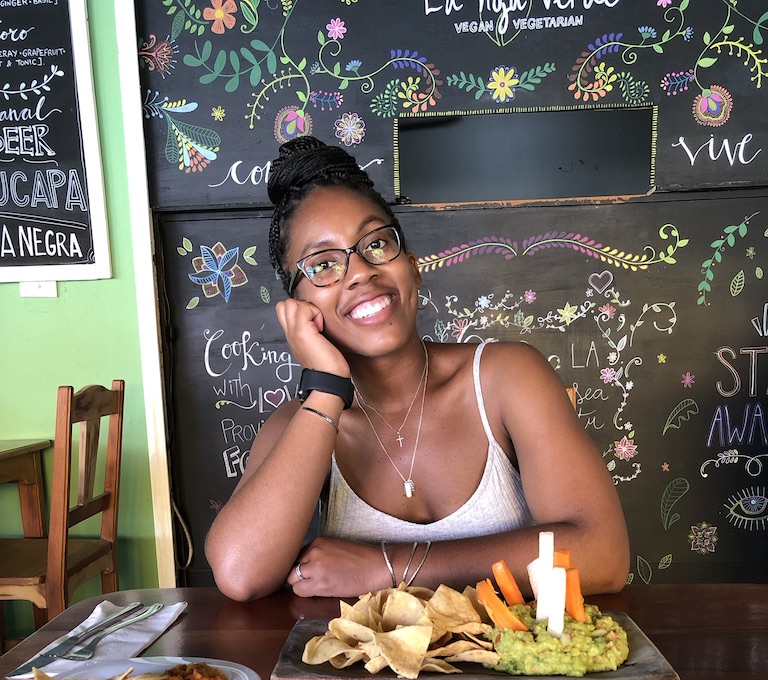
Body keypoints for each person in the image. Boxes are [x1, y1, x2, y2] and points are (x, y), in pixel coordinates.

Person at [205, 136, 629, 602]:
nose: (361, 271)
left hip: (514, 669)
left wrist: (386, 568)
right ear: (299, 308)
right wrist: (326, 390)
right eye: (323, 264)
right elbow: (239, 573)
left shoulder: (506, 376)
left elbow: (603, 556)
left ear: (411, 267)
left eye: (376, 244)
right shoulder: (302, 425)